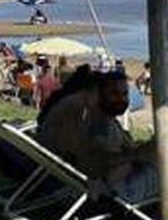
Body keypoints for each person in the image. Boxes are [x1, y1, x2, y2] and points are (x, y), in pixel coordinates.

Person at [36, 68, 159, 202]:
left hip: (63, 175)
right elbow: (91, 163)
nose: (122, 99)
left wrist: (136, 151)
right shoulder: (79, 110)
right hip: (114, 190)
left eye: (125, 94)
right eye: (112, 93)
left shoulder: (76, 108)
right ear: (95, 91)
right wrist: (137, 155)